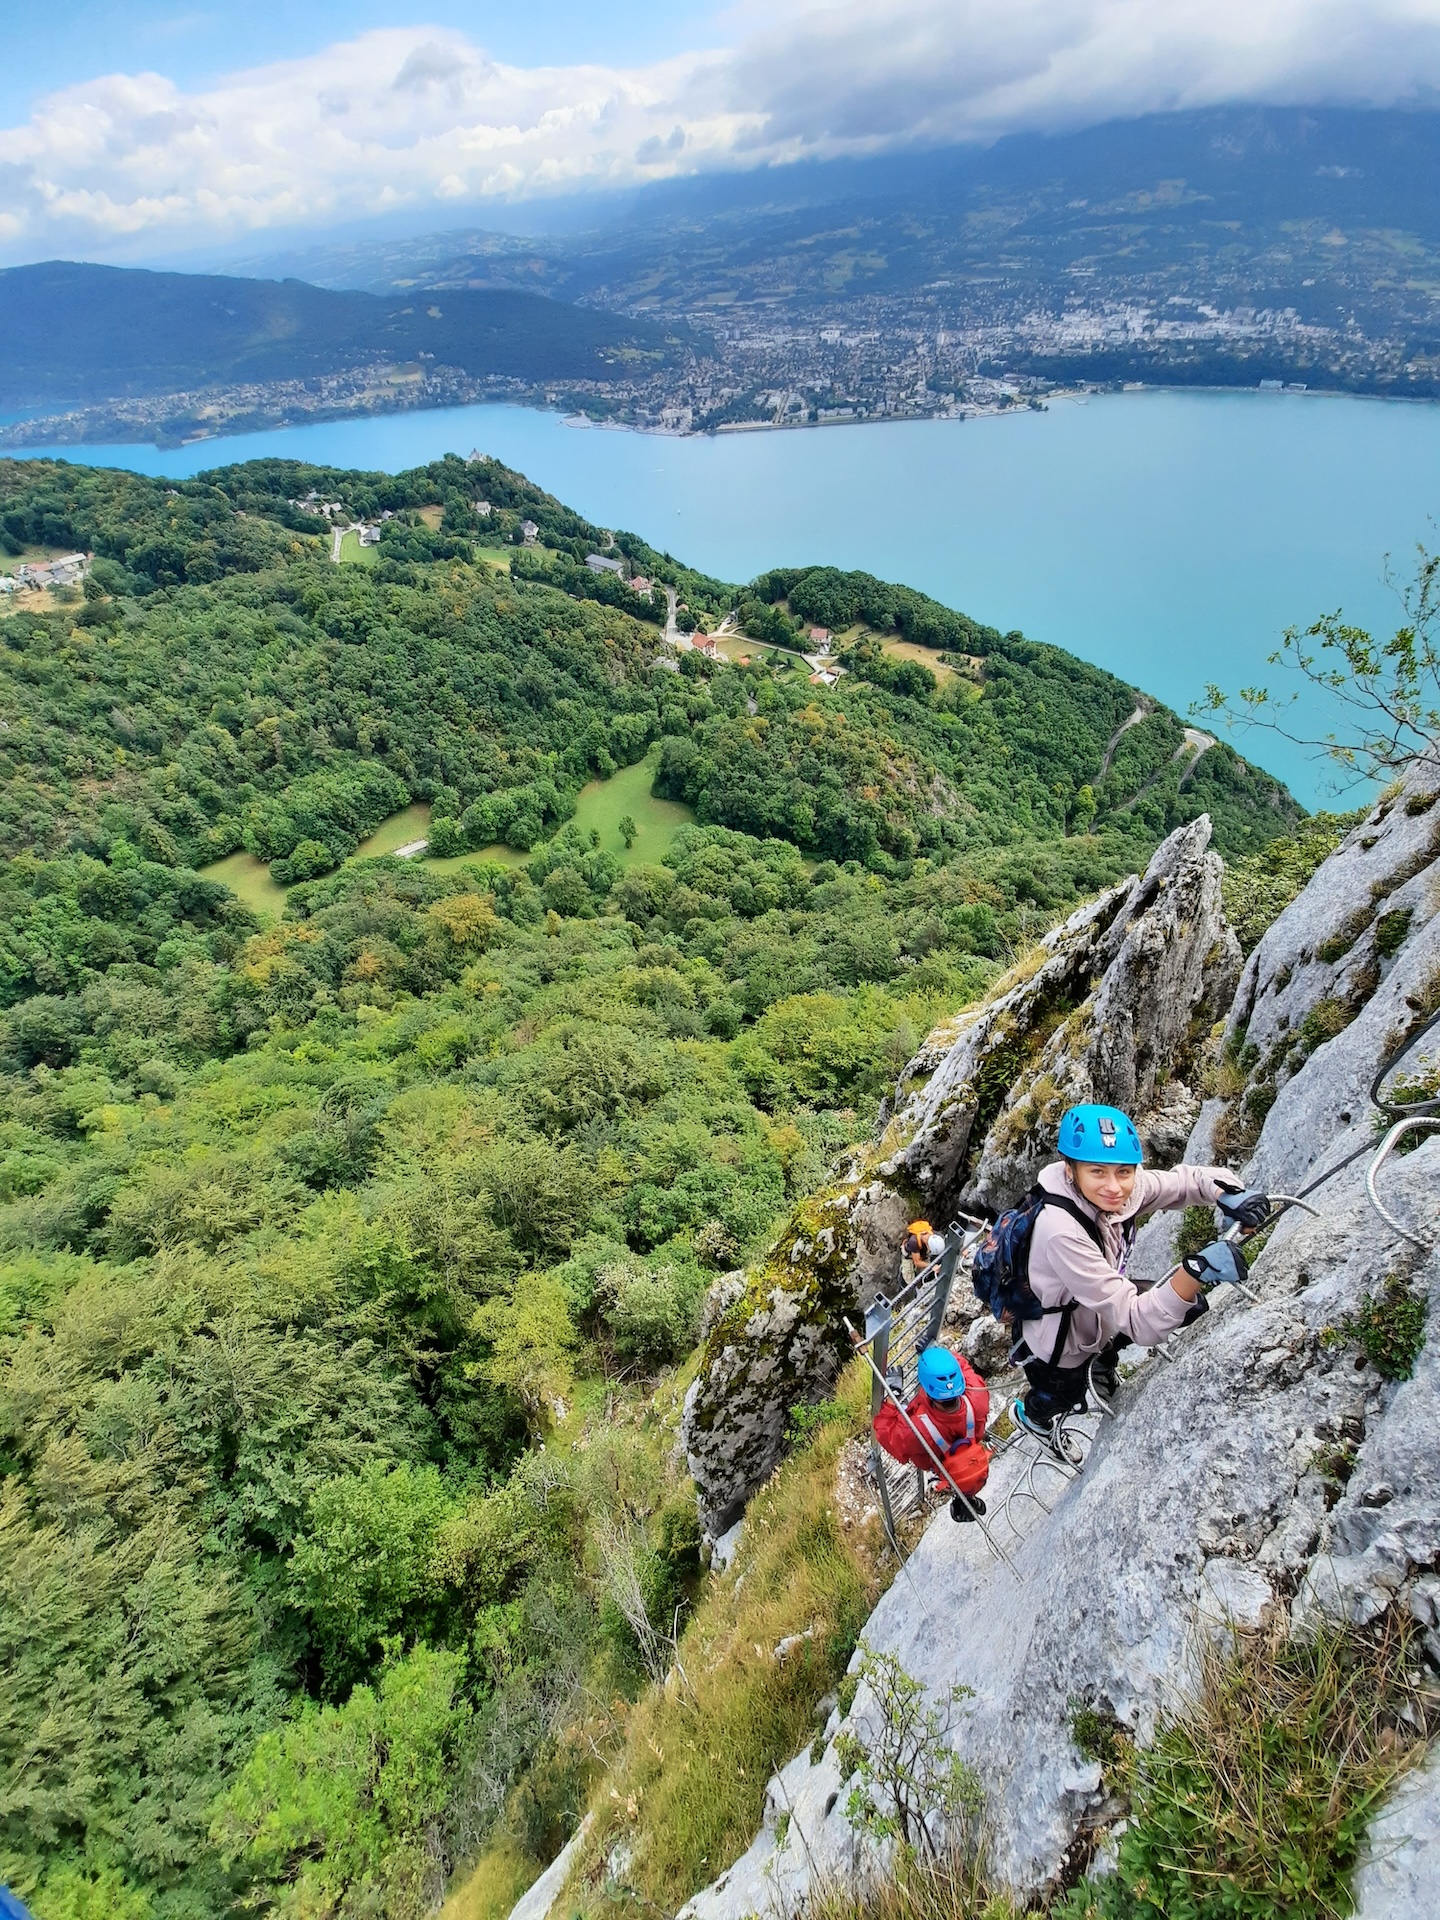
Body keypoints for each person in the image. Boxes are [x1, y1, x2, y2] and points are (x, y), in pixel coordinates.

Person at [1012, 1101, 1267, 1445]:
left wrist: (1229, 1193)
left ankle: (1103, 1359)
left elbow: (1185, 1181)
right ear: (1070, 1170)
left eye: (1124, 1171)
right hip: (1058, 1344)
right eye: (1097, 1172)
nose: (1114, 1186)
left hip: (1096, 1306)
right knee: (1063, 1395)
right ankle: (1032, 1418)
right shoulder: (1060, 1231)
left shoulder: (1114, 1194)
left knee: (1190, 1306)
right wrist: (1196, 1270)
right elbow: (1136, 1321)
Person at [874, 1343, 992, 1520]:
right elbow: (963, 1368)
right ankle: (965, 1494)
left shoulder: (915, 1430)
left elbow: (886, 1434)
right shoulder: (978, 1395)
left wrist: (893, 1395)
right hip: (967, 1452)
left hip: (936, 1459)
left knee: (909, 1421)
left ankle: (958, 1491)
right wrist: (938, 1354)